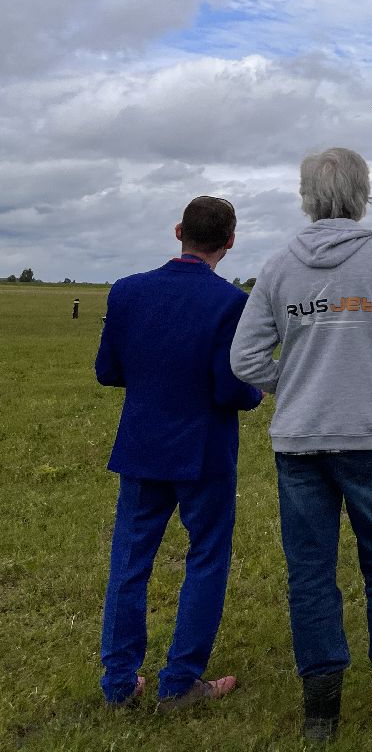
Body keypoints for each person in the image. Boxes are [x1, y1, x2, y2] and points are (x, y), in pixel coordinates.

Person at [230, 148, 372, 741]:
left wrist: (293, 382)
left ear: (307, 197)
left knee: (309, 573)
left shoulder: (278, 267)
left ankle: (320, 715)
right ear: (362, 195)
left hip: (299, 442)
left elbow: (244, 358)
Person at [95, 195, 264, 709]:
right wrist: (255, 393)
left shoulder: (127, 291)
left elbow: (108, 371)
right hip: (204, 452)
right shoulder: (230, 302)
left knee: (129, 562)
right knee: (207, 557)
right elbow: (231, 389)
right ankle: (181, 681)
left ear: (178, 231)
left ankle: (119, 683)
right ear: (230, 242)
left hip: (142, 446)